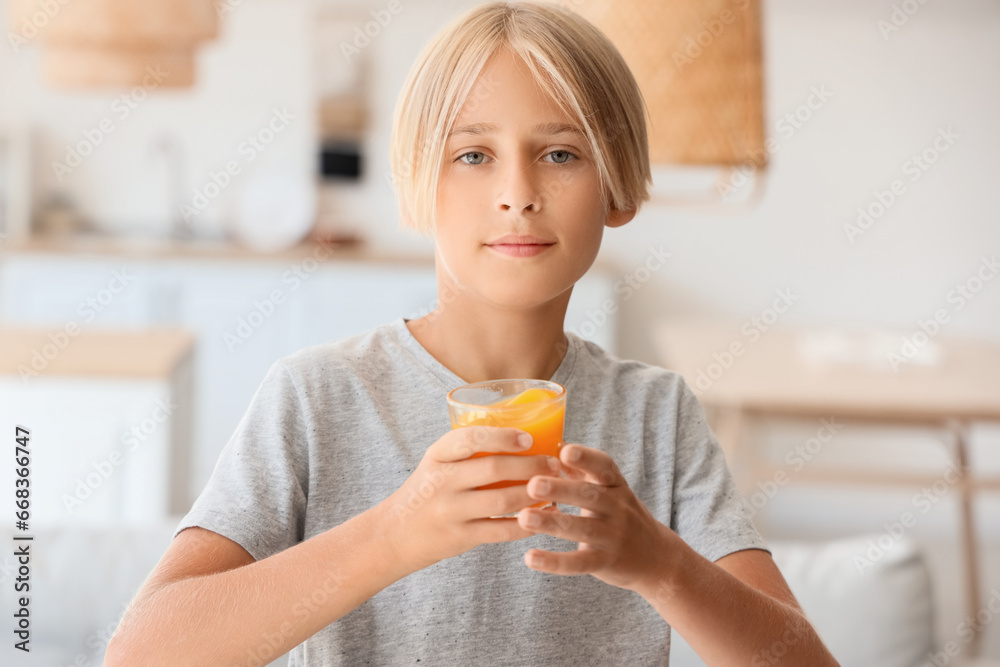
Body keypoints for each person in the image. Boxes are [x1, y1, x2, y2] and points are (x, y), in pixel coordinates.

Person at [106, 2, 838, 665]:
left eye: (560, 153)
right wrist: (395, 533)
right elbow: (141, 654)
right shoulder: (318, 396)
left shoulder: (658, 416)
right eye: (473, 155)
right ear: (417, 188)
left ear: (617, 188)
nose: (517, 192)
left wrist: (661, 564)